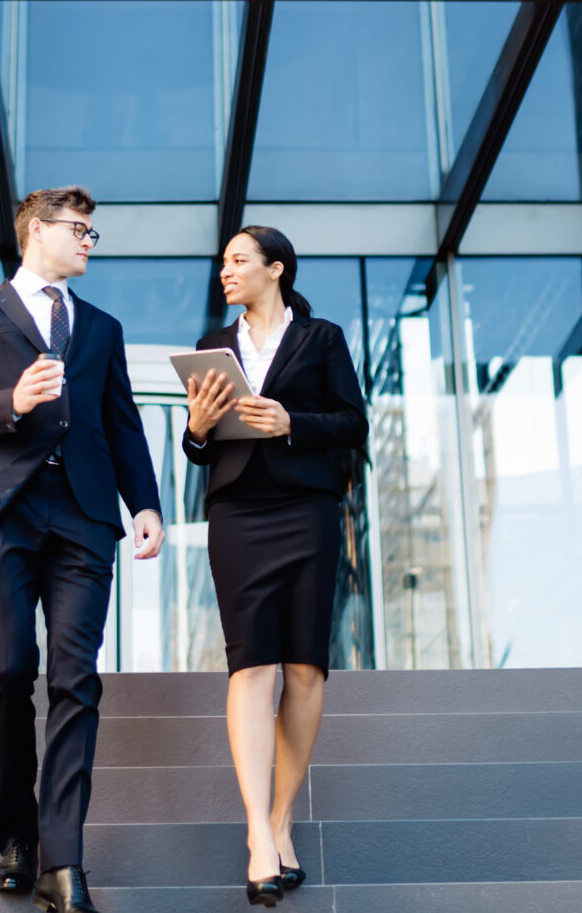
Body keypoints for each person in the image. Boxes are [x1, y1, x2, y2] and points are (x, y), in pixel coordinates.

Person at [0, 186, 166, 913]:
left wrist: (146, 503)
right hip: (6, 510)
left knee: (76, 679)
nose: (90, 240)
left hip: (87, 516)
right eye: (80, 229)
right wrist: (14, 404)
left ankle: (63, 859)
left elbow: (121, 422)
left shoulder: (101, 327)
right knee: (10, 670)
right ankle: (20, 838)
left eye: (95, 231)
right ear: (37, 230)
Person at [181, 226, 368, 907]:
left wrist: (292, 422)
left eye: (238, 261)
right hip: (238, 515)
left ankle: (283, 819)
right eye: (224, 262)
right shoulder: (211, 346)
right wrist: (197, 428)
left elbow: (353, 422)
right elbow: (196, 446)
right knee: (251, 664)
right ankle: (261, 833)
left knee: (304, 669)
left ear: (275, 269)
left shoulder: (322, 341)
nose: (225, 271)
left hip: (308, 511)